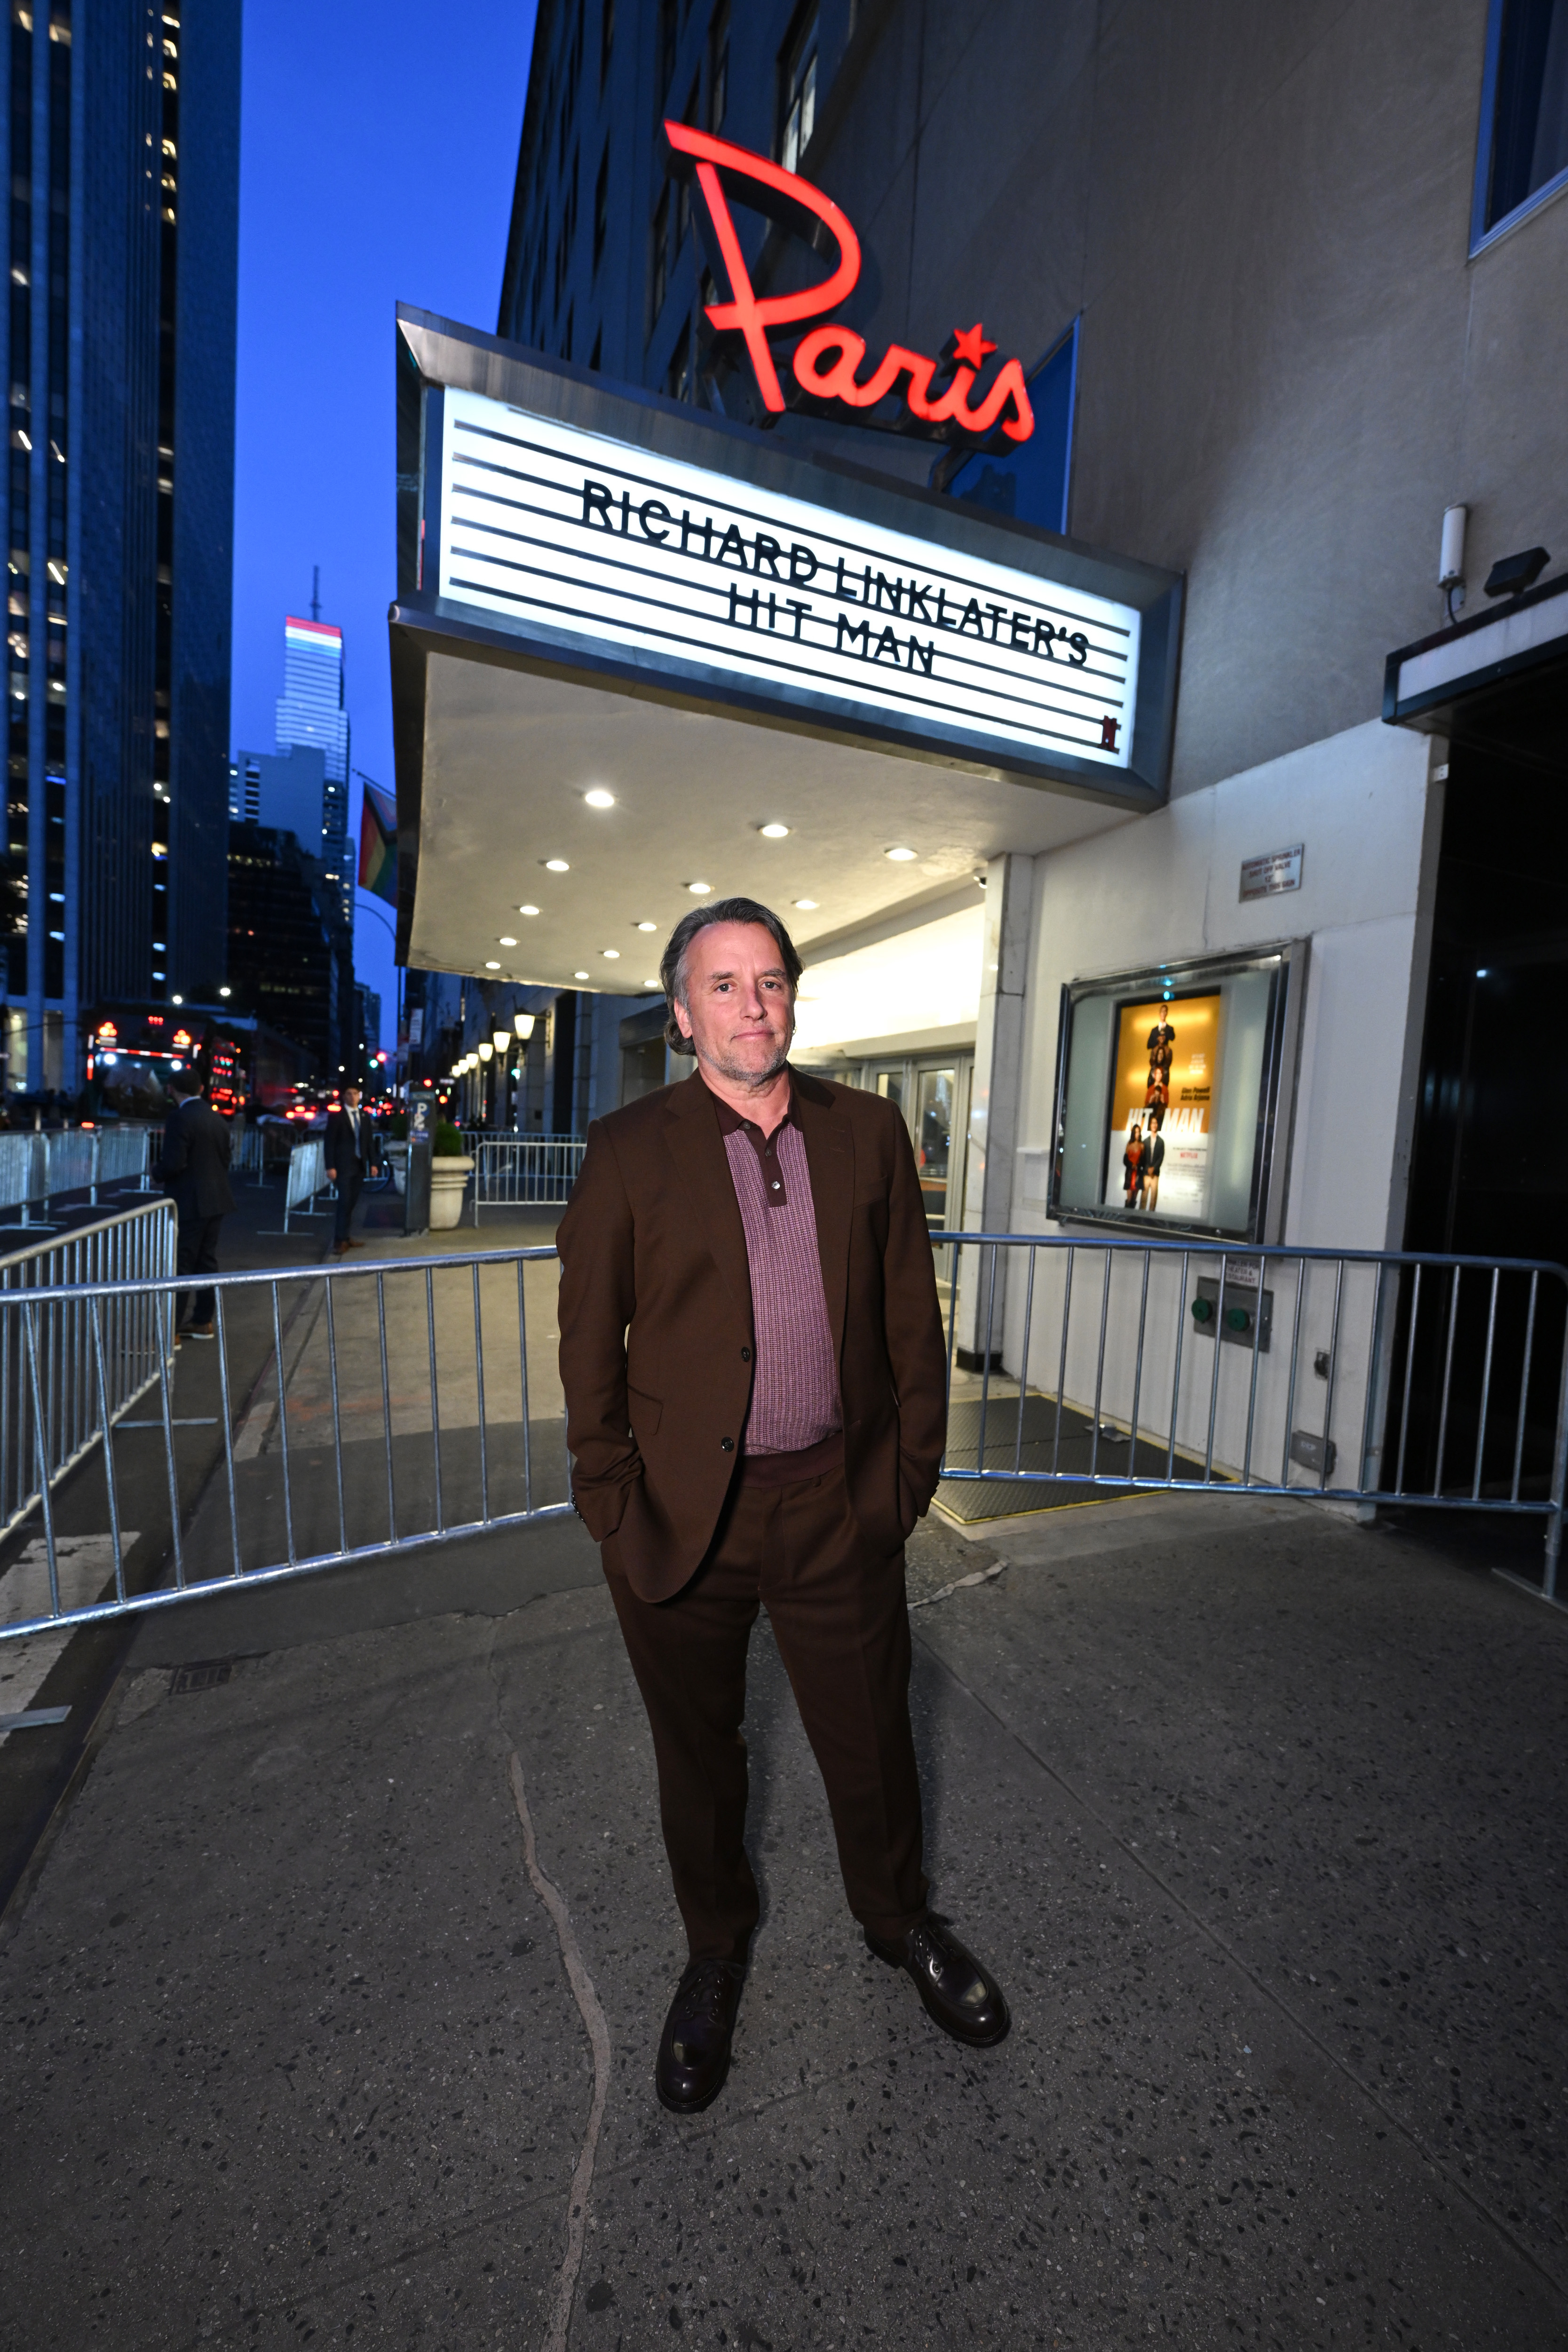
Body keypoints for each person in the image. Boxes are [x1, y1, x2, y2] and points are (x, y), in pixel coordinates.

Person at [556, 895, 1009, 2118]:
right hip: (680, 1520)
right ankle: (714, 1953)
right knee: (699, 1759)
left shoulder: (864, 1137)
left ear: (791, 998)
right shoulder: (627, 1151)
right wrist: (609, 1500)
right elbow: (587, 1342)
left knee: (869, 1738)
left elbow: (910, 1320)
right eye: (724, 984)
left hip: (833, 1505)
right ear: (681, 1013)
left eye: (769, 981)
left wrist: (905, 1477)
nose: (751, 1004)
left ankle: (897, 1920)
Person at [161, 1074, 236, 1341]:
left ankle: (173, 1329)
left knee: (182, 1262)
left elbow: (173, 1163)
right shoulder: (217, 1118)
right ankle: (203, 1321)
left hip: (190, 1200)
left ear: (171, 1089)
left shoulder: (180, 1118)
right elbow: (226, 1158)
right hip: (217, 1198)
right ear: (202, 1088)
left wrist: (156, 1172)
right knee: (206, 1261)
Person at [325, 1083, 374, 1256]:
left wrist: (373, 1163)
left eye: (355, 1093)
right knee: (344, 1202)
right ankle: (339, 1240)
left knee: (351, 1202)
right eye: (349, 1093)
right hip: (343, 1166)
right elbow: (329, 1142)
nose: (352, 1097)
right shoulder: (337, 1117)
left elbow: (368, 1142)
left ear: (360, 1096)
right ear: (344, 1097)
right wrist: (330, 1166)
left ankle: (346, 1237)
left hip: (359, 1166)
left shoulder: (364, 1117)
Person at [1142, 1110, 1165, 1211]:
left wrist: (1154, 1168)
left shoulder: (1161, 1142)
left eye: (1156, 1123)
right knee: (1144, 1198)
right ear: (1150, 1125)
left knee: (1153, 1199)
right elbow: (1143, 1158)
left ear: (1157, 1125)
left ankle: (1150, 1220)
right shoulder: (1145, 1141)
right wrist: (1148, 1169)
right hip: (1146, 1174)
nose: (1154, 1125)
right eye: (1152, 1123)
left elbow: (1161, 1157)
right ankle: (1140, 1219)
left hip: (1155, 1174)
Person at [1123, 1121, 1143, 1206]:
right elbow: (1125, 1160)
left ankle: (1133, 1217)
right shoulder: (1129, 1144)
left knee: (1134, 1199)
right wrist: (1132, 1165)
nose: (1137, 1134)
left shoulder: (1142, 1145)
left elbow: (1143, 1160)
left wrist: (1137, 1166)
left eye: (1139, 1132)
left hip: (1138, 1173)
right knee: (1129, 1199)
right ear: (1133, 1133)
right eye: (1136, 1132)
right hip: (1130, 1173)